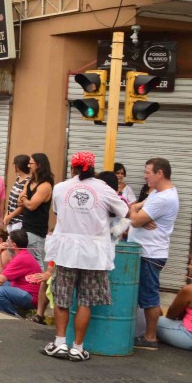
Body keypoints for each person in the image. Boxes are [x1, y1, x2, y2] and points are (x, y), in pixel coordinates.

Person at [33, 151, 129, 361]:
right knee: (86, 301)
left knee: (62, 299)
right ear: (93, 168)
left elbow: (59, 214)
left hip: (67, 252)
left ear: (72, 168)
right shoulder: (104, 189)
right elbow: (124, 211)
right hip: (94, 255)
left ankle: (59, 343)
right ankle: (77, 347)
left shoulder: (60, 188)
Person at [129, 157, 179, 350]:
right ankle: (145, 333)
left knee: (149, 296)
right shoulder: (157, 194)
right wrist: (136, 210)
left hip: (150, 254)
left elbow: (134, 220)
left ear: (160, 173)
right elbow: (136, 209)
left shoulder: (164, 198)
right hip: (145, 251)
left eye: (148, 172)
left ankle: (150, 338)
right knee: (145, 294)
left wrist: (136, 214)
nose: (145, 176)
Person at [7, 152, 54, 322]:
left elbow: (32, 205)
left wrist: (26, 200)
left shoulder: (45, 185)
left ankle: (37, 302)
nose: (29, 165)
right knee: (15, 252)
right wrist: (26, 200)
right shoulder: (30, 181)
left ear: (39, 165)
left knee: (36, 264)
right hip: (26, 227)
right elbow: (22, 200)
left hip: (36, 230)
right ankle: (23, 288)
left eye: (32, 163)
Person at [155, 253, 192, 359]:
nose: (188, 266)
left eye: (191, 264)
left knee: (153, 321)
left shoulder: (190, 289)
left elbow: (171, 315)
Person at [0, 229, 42, 315]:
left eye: (8, 240)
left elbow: (0, 280)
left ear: (14, 245)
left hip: (29, 296)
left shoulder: (21, 258)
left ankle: (13, 316)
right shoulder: (19, 255)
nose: (6, 242)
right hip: (21, 289)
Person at [3, 154, 31, 231]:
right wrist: (7, 215)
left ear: (18, 166)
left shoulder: (28, 181)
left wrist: (10, 216)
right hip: (11, 220)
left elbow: (22, 205)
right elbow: (11, 200)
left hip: (18, 221)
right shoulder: (18, 178)